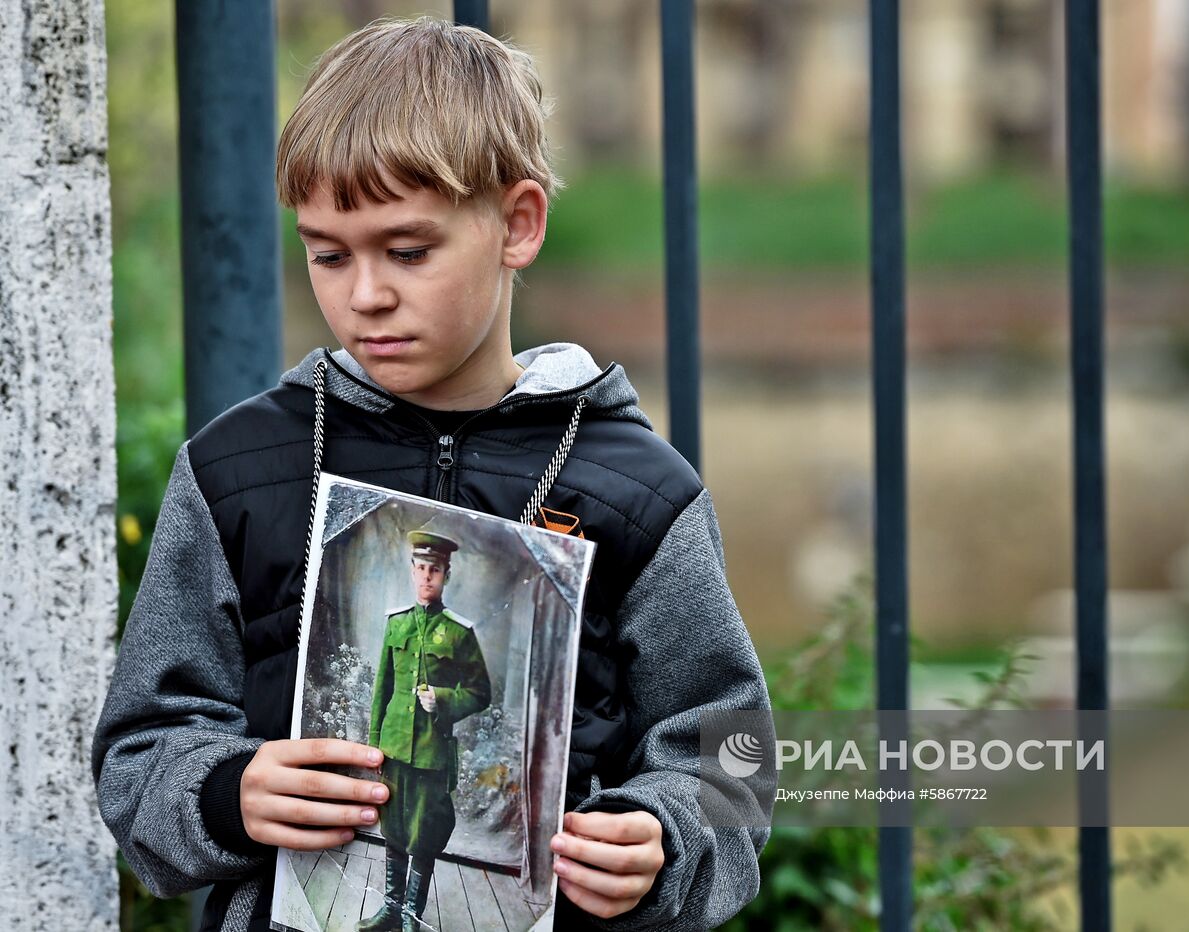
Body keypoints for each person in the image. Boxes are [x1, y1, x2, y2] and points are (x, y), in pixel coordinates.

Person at [91, 15, 775, 932]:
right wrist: (227, 795)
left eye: (407, 252)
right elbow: (140, 752)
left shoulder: (640, 492)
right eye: (328, 254)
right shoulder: (234, 473)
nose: (364, 294)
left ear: (517, 224)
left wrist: (661, 840)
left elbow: (736, 760)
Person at [358, 531, 492, 931]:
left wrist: (445, 700)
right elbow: (381, 690)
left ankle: (412, 918)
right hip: (395, 747)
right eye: (420, 568)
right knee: (395, 829)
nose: (426, 577)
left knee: (425, 833)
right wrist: (374, 748)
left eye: (435, 570)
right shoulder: (396, 623)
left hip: (433, 752)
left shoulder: (458, 633)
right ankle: (390, 912)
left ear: (446, 575)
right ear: (412, 571)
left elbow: (480, 692)